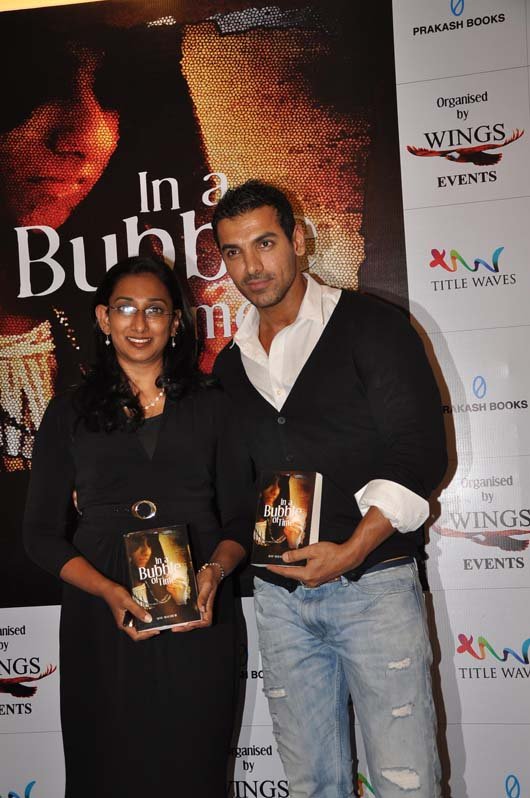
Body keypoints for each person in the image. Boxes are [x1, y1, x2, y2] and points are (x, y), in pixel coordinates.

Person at [212, 181, 448, 798]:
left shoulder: (372, 326)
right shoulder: (229, 365)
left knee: (406, 783)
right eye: (234, 252)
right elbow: (231, 487)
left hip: (374, 586)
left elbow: (419, 452)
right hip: (280, 601)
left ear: (298, 240)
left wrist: (350, 551)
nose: (251, 266)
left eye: (265, 243)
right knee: (312, 786)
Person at [23, 255, 253, 798]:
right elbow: (39, 535)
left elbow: (242, 519)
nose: (140, 323)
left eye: (155, 309)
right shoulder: (68, 412)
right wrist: (107, 591)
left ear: (176, 322)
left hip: (199, 610)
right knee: (106, 772)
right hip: (100, 615)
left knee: (193, 772)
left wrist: (215, 574)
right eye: (125, 308)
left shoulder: (213, 406)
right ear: (104, 318)